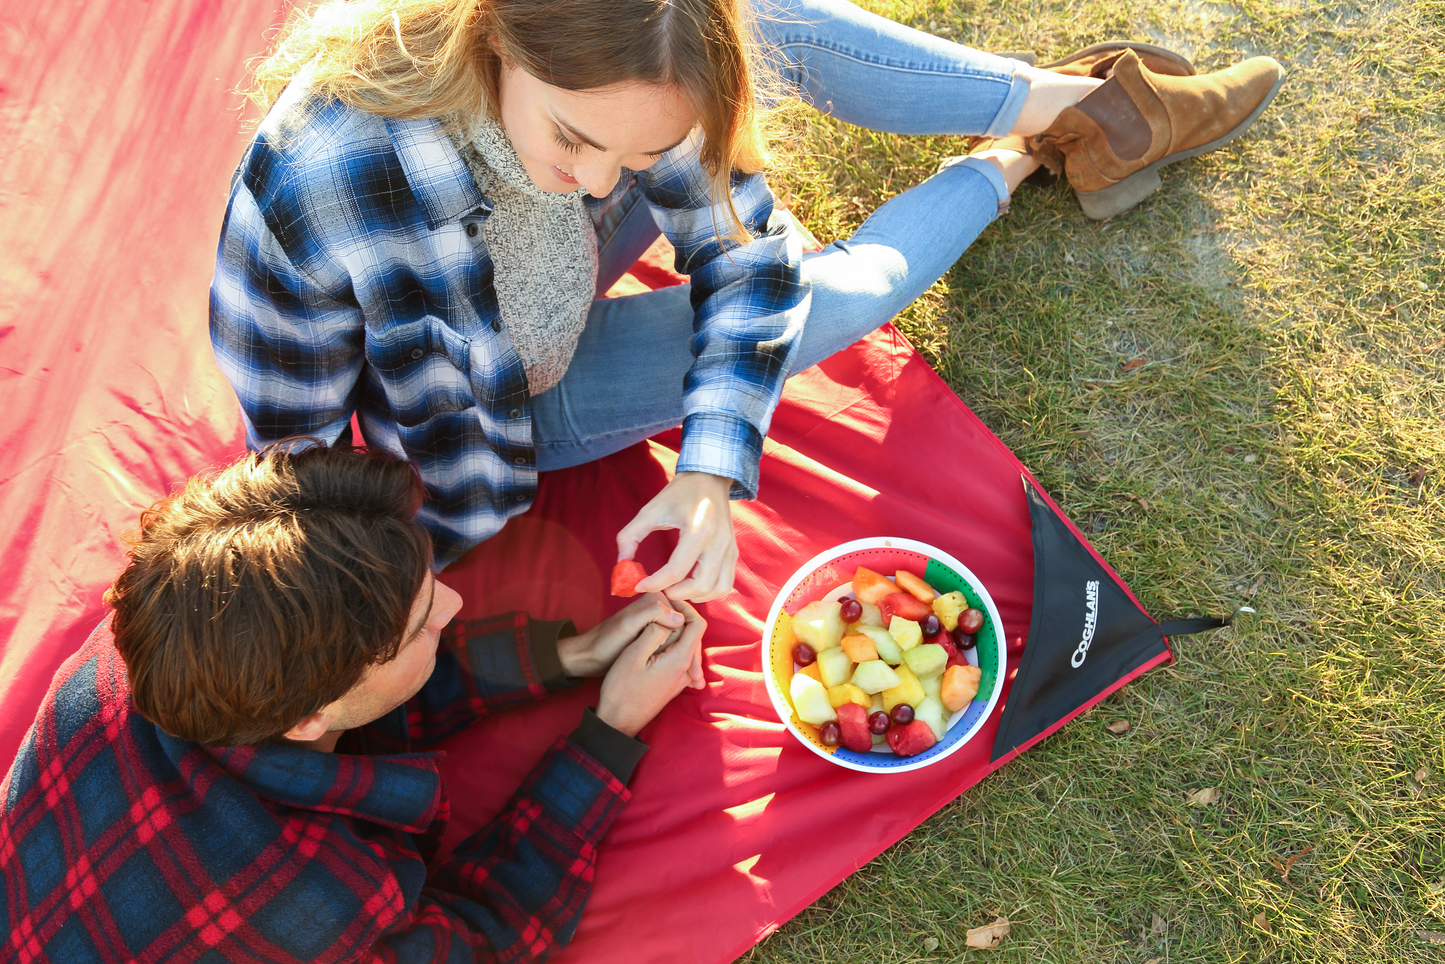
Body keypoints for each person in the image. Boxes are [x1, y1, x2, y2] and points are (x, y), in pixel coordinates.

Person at [210, 0, 1283, 599]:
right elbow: (294, 453)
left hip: (561, 255)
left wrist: (715, 466)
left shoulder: (634, 84)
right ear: (492, 35)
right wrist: (395, 583)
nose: (599, 185)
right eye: (576, 139)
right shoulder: (328, 173)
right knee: (844, 297)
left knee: (739, 15)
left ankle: (1082, 109)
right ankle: (1014, 157)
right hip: (512, 405)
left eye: (638, 152)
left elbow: (744, 257)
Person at [0, 443, 705, 962]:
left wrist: (570, 656)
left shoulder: (137, 638)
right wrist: (610, 731)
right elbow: (484, 938)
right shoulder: (319, 905)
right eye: (420, 622)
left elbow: (353, 695)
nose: (455, 603)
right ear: (306, 718)